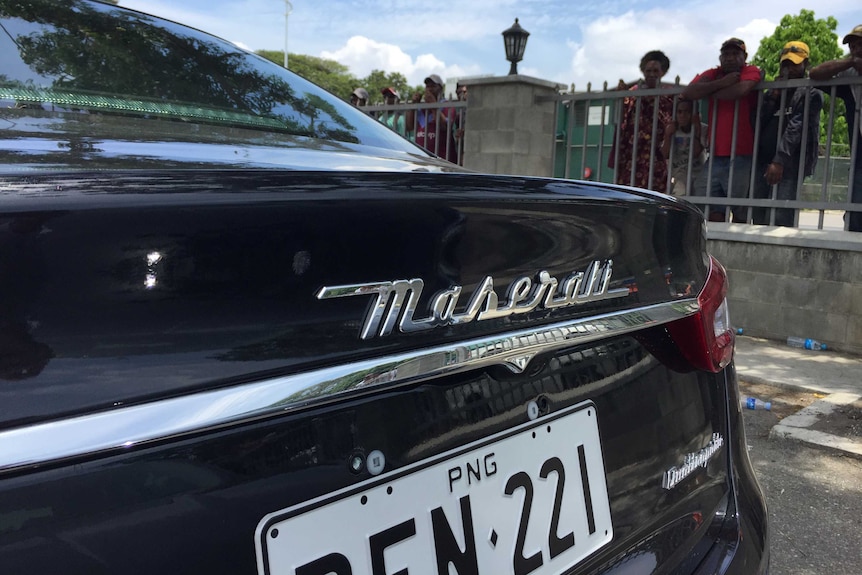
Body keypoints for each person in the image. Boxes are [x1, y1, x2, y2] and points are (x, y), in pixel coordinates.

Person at [682, 38, 762, 222]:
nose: (730, 58)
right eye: (726, 54)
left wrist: (711, 93)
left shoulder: (750, 70)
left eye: (735, 54)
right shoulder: (715, 74)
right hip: (716, 154)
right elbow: (688, 92)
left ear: (745, 56)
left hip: (742, 154)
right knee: (709, 202)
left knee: (739, 207)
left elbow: (741, 90)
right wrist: (721, 83)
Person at [752, 41, 823, 227]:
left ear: (805, 64)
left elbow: (797, 128)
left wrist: (779, 160)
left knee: (781, 218)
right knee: (758, 215)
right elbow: (758, 121)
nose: (789, 69)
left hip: (790, 164)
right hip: (763, 161)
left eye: (795, 64)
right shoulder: (772, 93)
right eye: (786, 64)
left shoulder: (810, 93)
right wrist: (774, 96)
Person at [810, 24, 862, 231]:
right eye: (853, 46)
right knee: (856, 211)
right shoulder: (850, 70)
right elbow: (815, 73)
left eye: (861, 44)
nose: (857, 49)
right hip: (860, 154)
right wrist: (849, 61)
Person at [609, 50, 674, 193]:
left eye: (655, 70)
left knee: (654, 194)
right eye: (648, 70)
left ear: (663, 72)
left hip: (656, 153)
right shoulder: (633, 92)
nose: (651, 74)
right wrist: (621, 97)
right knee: (628, 194)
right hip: (631, 154)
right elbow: (621, 118)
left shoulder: (668, 96)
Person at [661, 98, 708, 196]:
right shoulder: (672, 130)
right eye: (679, 112)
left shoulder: (702, 128)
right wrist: (668, 135)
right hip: (677, 174)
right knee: (679, 192)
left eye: (687, 112)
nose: (682, 115)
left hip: (697, 174)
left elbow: (696, 152)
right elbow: (665, 154)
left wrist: (696, 130)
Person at [406, 74, 457, 163]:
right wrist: (413, 105)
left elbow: (444, 126)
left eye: (433, 86)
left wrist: (433, 104)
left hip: (442, 159)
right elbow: (409, 127)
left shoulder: (448, 106)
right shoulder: (421, 108)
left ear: (441, 88)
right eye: (427, 86)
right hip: (422, 158)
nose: (429, 89)